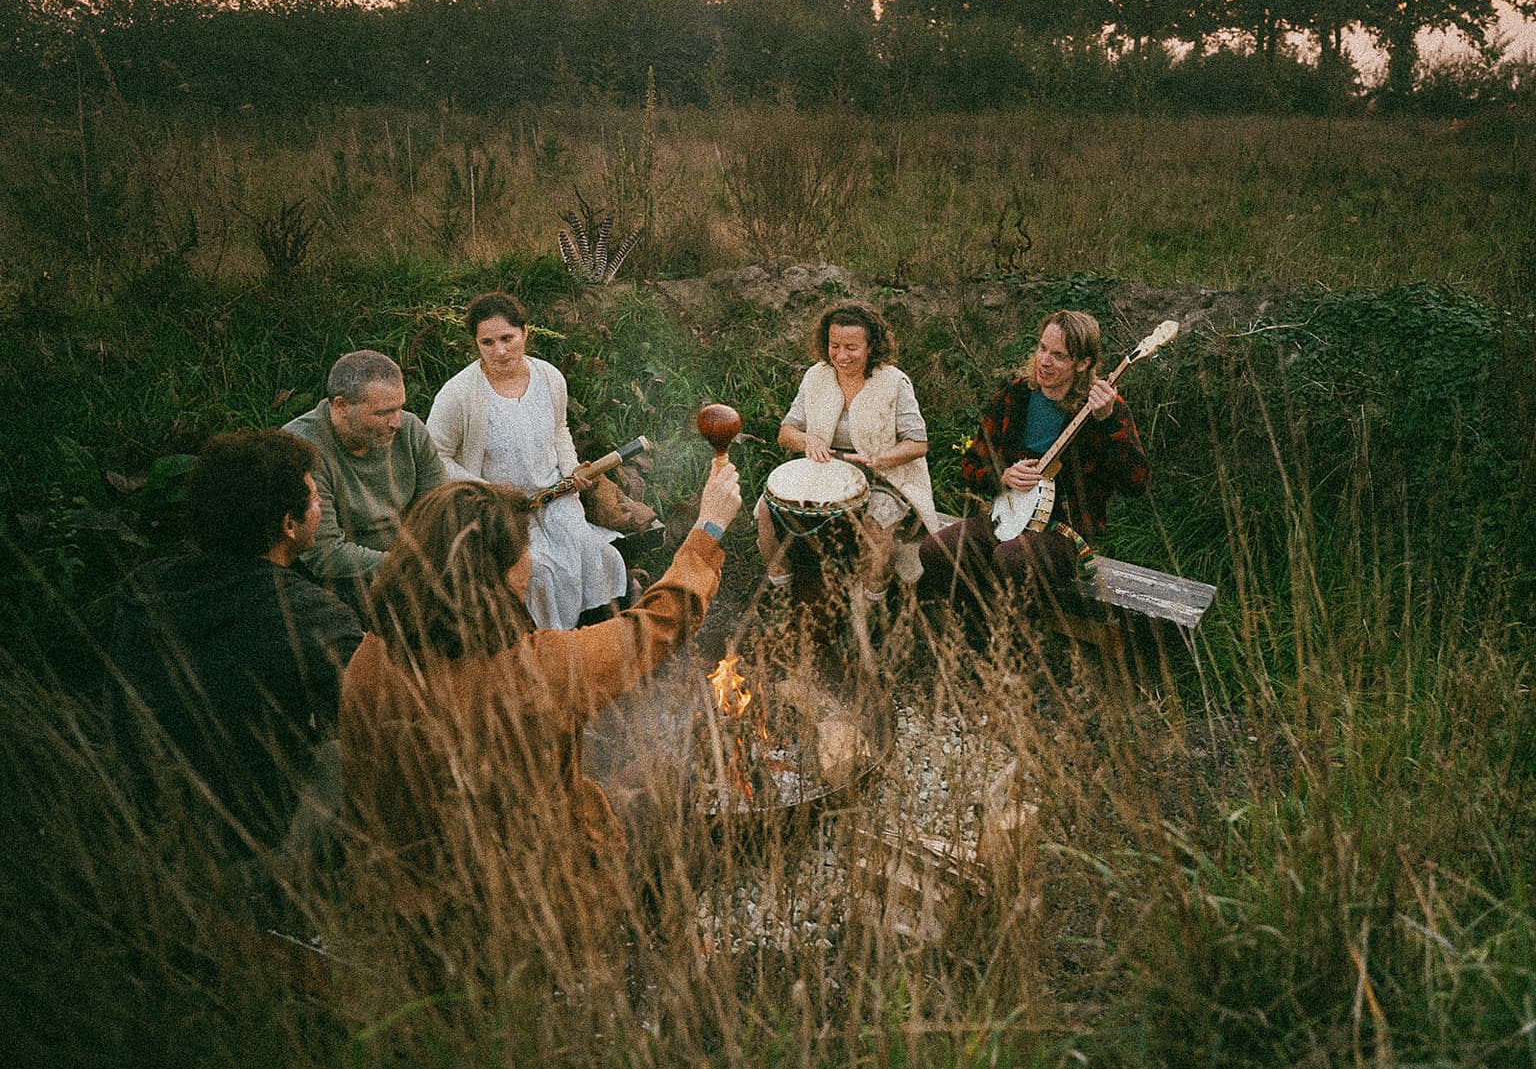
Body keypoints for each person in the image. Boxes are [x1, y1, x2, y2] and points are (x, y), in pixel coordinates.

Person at [339, 462, 741, 987]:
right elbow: (656, 625)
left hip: (407, 899)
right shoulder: (533, 672)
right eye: (523, 553)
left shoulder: (369, 657)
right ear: (496, 576)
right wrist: (707, 530)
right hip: (526, 908)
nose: (531, 563)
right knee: (663, 776)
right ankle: (650, 955)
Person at [109, 429, 363, 855]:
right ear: (288, 524)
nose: (321, 508)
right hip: (264, 841)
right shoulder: (312, 614)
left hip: (155, 828)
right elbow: (369, 711)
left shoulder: (145, 591)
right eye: (316, 500)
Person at [426, 291, 638, 630]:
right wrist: (487, 493)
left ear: (525, 333)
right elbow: (436, 455)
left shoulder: (549, 377)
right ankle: (548, 652)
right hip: (498, 512)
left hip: (555, 496)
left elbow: (559, 430)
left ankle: (599, 640)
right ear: (476, 344)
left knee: (595, 554)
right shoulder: (459, 393)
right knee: (538, 572)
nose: (500, 350)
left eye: (507, 338)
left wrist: (571, 471)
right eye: (487, 342)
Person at [918, 309, 1149, 610]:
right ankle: (971, 630)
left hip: (1062, 533)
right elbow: (969, 466)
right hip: (1007, 516)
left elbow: (1136, 483)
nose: (1044, 361)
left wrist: (1106, 423)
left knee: (1010, 559)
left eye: (1059, 355)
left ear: (1083, 363)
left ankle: (1016, 646)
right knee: (936, 550)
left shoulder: (1104, 409)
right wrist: (1001, 475)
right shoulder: (1015, 396)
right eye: (1042, 348)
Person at [756, 300, 939, 602]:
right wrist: (806, 442)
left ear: (871, 346)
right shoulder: (816, 376)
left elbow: (918, 444)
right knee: (766, 509)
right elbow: (786, 432)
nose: (841, 355)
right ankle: (782, 590)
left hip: (884, 476)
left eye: (852, 347)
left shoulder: (894, 383)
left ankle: (872, 604)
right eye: (834, 345)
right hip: (823, 471)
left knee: (875, 525)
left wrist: (881, 457)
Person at [283, 349, 447, 612]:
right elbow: (323, 553)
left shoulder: (411, 430)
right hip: (343, 581)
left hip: (408, 564)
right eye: (383, 413)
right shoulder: (301, 447)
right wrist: (407, 566)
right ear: (341, 406)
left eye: (400, 408)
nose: (396, 422)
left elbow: (442, 511)